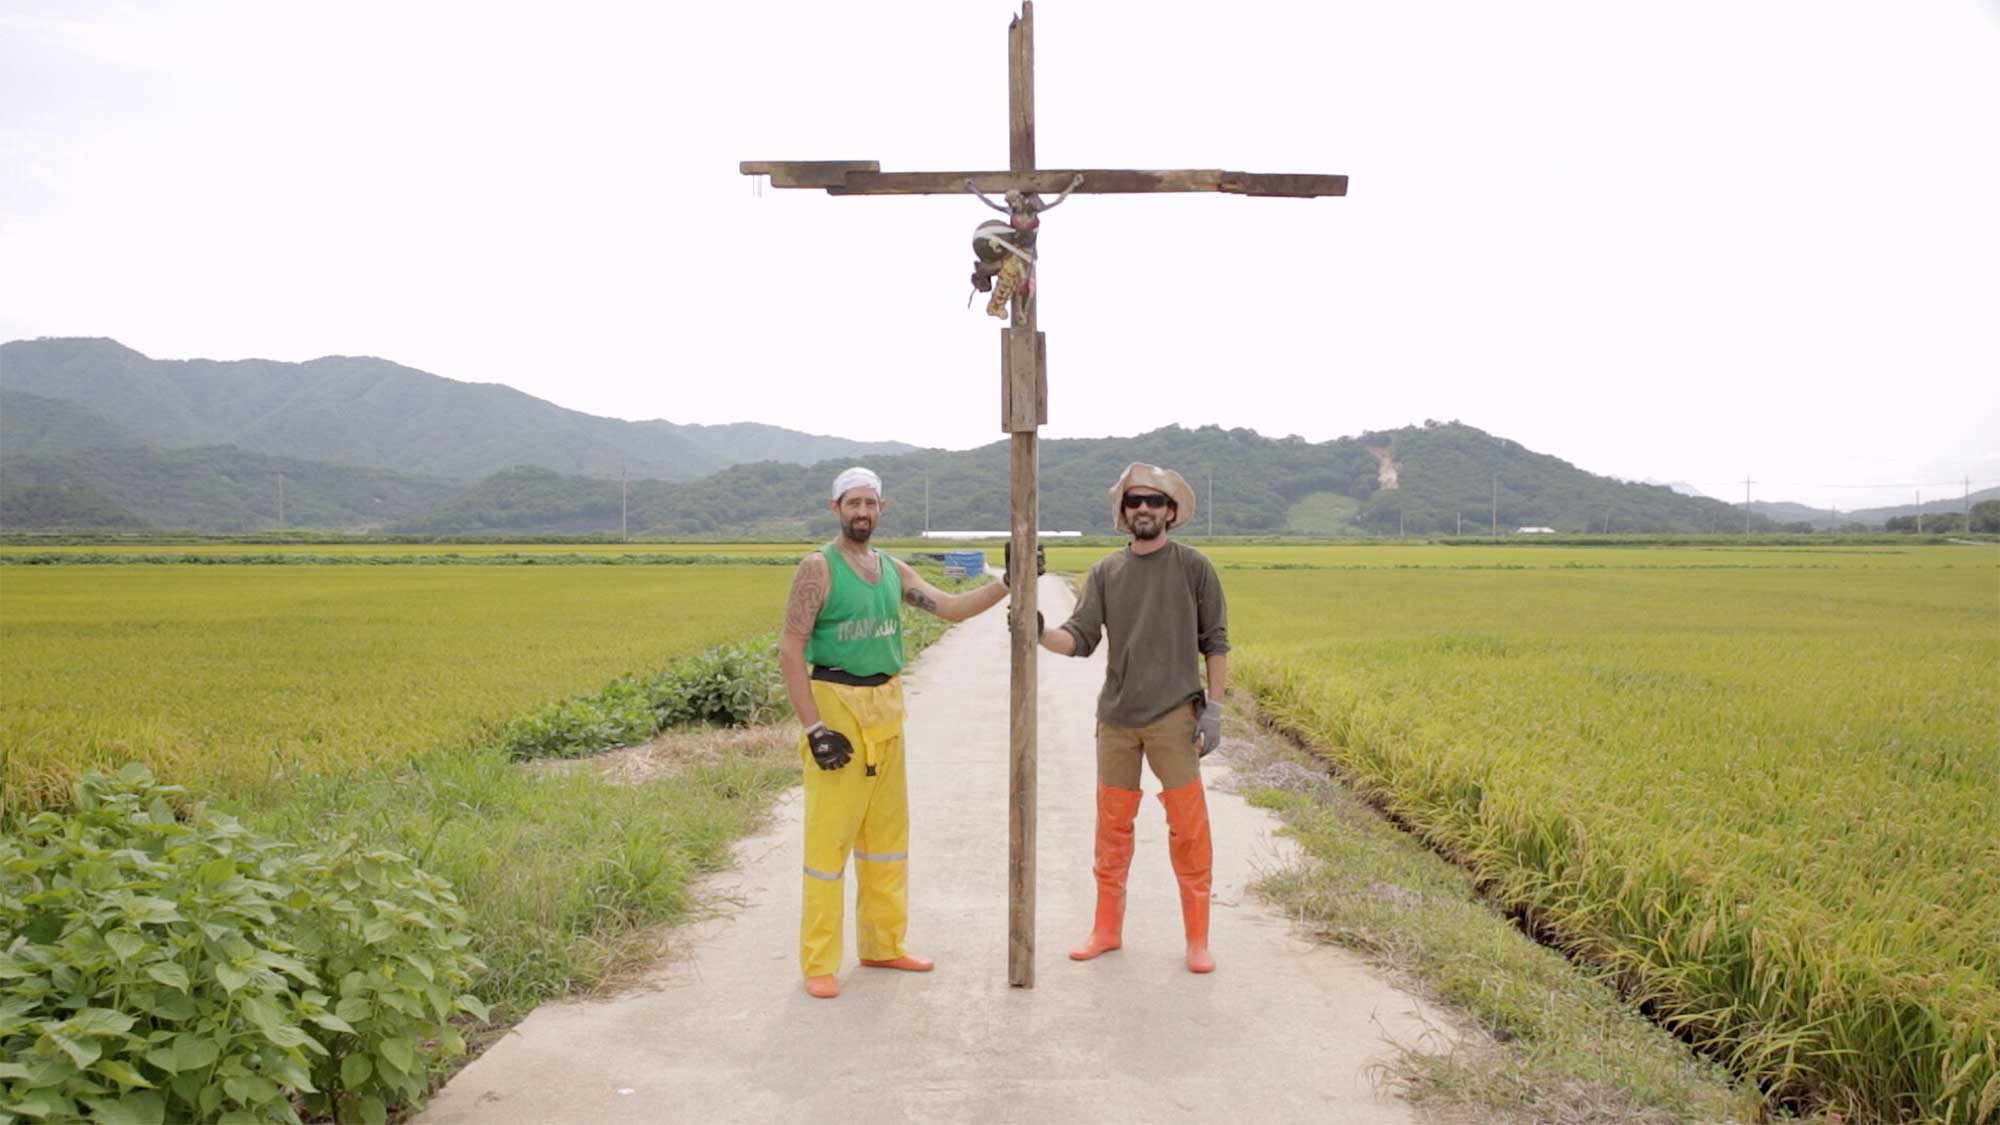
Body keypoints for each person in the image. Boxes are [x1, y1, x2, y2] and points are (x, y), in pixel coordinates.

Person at [779, 466, 1018, 999]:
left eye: (870, 503)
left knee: (886, 840)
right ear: (835, 507)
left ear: (882, 508)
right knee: (829, 841)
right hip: (836, 707)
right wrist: (815, 728)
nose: (861, 512)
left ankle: (883, 944)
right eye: (852, 503)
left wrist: (1009, 582)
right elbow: (790, 649)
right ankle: (819, 962)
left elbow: (951, 609)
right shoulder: (819, 568)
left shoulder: (892, 569)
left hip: (886, 707)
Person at [1038, 462, 1229, 974]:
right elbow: (1079, 637)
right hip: (1117, 720)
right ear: (1123, 513)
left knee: (1188, 828)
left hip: (1174, 716)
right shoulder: (1106, 571)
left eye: (1153, 501)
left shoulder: (1194, 567)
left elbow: (1215, 641)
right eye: (1134, 501)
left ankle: (1197, 940)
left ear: (1171, 512)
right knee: (1113, 827)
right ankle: (1106, 930)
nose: (1143, 508)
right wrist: (1037, 633)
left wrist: (1214, 708)